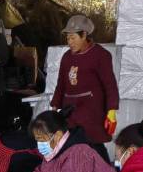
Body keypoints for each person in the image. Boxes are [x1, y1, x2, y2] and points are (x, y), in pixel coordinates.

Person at [51, 15, 119, 159]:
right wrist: (55, 107)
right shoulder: (66, 57)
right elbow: (61, 84)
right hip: (70, 110)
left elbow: (110, 84)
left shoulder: (100, 55)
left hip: (92, 112)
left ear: (84, 35)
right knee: (70, 146)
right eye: (68, 38)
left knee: (93, 146)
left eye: (73, 38)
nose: (69, 42)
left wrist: (111, 110)